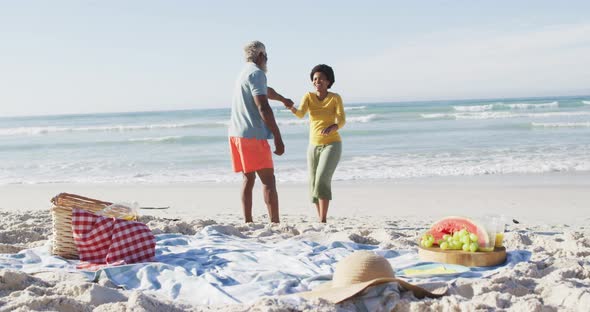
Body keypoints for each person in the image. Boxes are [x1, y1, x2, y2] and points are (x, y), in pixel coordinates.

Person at [228, 41, 294, 224]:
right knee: (268, 181)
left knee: (248, 179)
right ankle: (275, 223)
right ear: (260, 56)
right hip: (253, 135)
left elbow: (265, 92)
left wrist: (282, 99)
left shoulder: (244, 72)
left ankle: (248, 222)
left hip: (236, 133)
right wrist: (278, 138)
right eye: (266, 55)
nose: (267, 59)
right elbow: (263, 106)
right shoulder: (257, 73)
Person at [284, 64, 345, 223]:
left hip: (332, 144)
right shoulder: (308, 97)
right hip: (313, 145)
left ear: (328, 81)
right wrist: (290, 107)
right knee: (313, 183)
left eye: (321, 79)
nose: (317, 81)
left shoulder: (335, 97)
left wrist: (334, 126)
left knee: (322, 180)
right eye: (315, 79)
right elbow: (300, 114)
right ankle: (320, 218)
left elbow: (342, 120)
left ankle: (323, 220)